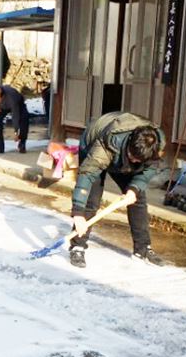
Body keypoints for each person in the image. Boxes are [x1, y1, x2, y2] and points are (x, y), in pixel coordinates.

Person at [69, 111, 166, 268]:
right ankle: (78, 246)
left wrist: (134, 189)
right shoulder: (106, 144)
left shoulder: (154, 146)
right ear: (129, 145)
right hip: (93, 146)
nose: (135, 161)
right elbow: (87, 175)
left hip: (120, 158)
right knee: (91, 201)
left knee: (138, 198)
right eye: (133, 157)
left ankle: (143, 248)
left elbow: (149, 169)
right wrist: (78, 213)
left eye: (139, 160)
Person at [0, 84, 29, 154]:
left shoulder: (12, 98)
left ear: (2, 97)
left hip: (18, 104)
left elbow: (15, 116)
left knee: (24, 119)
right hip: (2, 106)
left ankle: (22, 143)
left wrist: (16, 131)